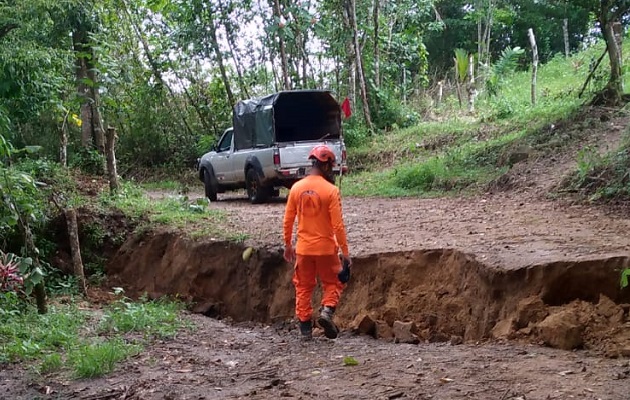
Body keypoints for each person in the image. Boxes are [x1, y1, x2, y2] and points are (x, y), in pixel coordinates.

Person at [283, 145, 352, 341]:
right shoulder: (331, 190)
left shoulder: (296, 188)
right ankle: (327, 311)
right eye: (331, 165)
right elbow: (338, 226)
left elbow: (288, 219)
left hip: (303, 249)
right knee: (334, 282)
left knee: (303, 287)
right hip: (326, 249)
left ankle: (305, 329)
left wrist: (287, 244)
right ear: (326, 165)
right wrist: (345, 254)